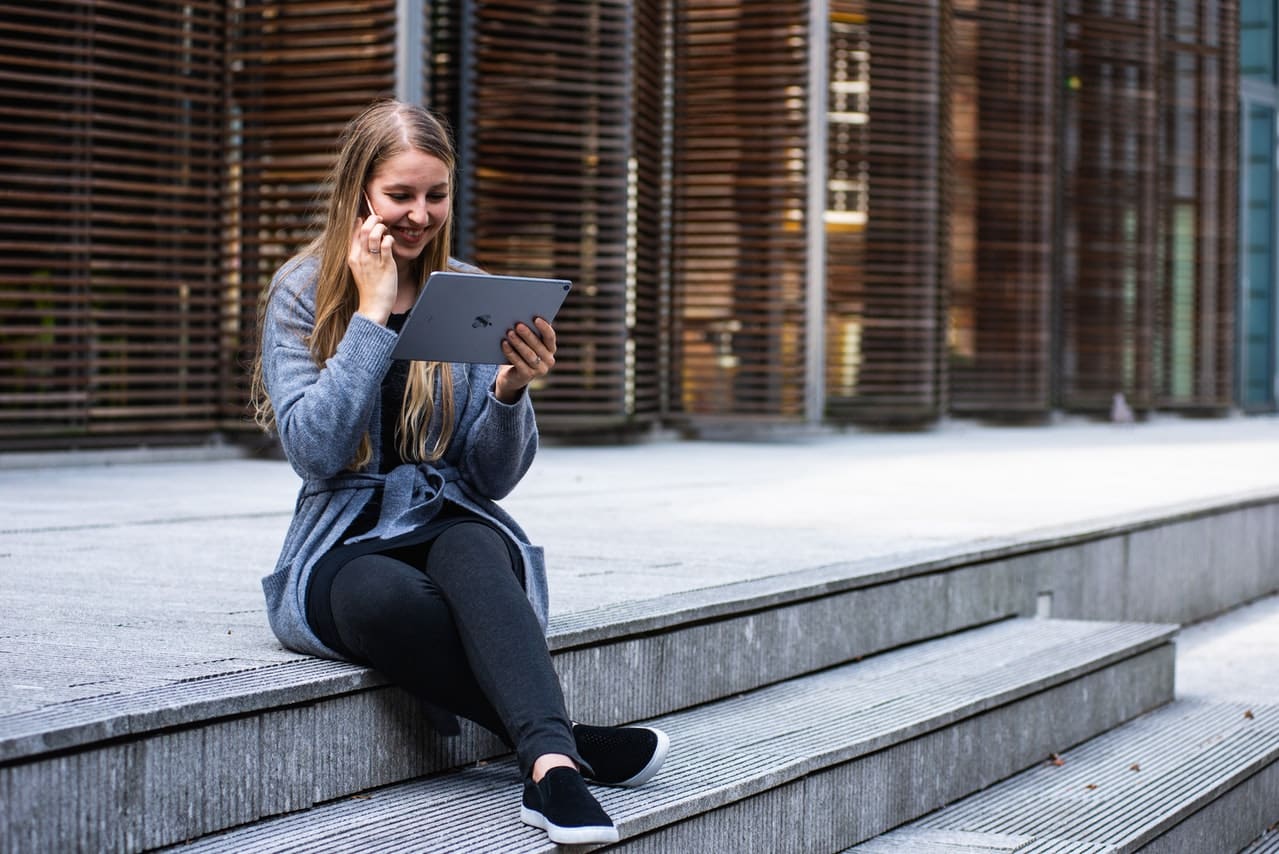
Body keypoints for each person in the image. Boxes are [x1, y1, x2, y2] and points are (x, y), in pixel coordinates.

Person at [251, 98, 667, 846]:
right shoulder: (303, 290)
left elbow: (491, 479)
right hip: (343, 538)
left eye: (434, 195)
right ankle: (565, 745)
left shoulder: (468, 289)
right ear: (360, 194)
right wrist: (373, 316)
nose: (418, 214)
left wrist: (511, 391)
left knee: (475, 549)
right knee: (386, 601)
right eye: (399, 195)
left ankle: (548, 773)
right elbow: (313, 452)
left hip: (451, 517)